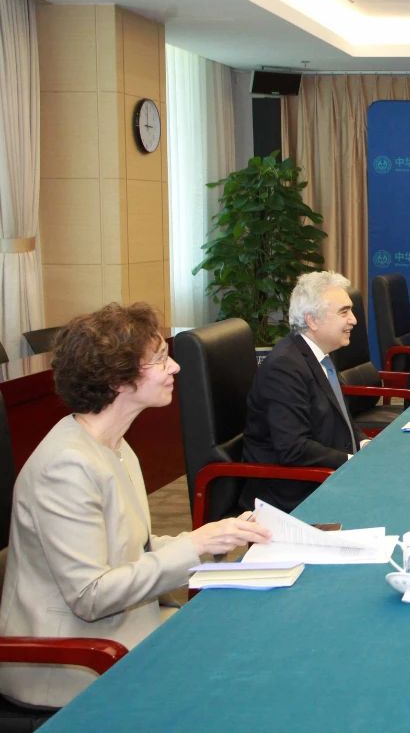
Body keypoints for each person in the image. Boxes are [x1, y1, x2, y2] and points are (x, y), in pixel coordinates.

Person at [0, 304, 269, 709]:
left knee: (243, 649)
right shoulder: (66, 466)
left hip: (121, 630)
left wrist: (214, 538)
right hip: (70, 660)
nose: (175, 367)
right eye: (160, 359)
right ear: (118, 379)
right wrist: (195, 545)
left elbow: (130, 548)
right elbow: (90, 596)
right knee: (232, 679)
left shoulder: (115, 444)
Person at [243, 270, 361, 512]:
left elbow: (340, 419)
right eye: (344, 312)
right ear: (312, 320)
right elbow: (293, 448)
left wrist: (363, 442)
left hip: (322, 474)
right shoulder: (284, 368)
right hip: (294, 492)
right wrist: (352, 461)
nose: (354, 320)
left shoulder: (320, 354)